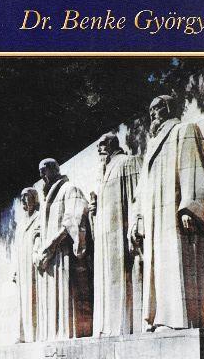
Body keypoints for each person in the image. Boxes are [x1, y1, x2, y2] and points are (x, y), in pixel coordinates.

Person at [130, 95, 204, 331]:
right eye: (151, 109)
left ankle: (178, 321)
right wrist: (138, 217)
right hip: (153, 219)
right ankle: (159, 318)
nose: (153, 113)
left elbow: (195, 166)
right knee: (158, 266)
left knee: (176, 261)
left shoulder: (184, 130)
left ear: (169, 108)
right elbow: (141, 188)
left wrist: (190, 206)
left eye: (158, 107)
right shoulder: (151, 146)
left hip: (175, 212)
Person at [91, 132, 143, 337]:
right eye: (98, 146)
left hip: (122, 235)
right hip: (105, 240)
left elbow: (137, 197)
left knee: (125, 279)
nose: (99, 149)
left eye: (103, 144)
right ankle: (108, 327)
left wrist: (136, 225)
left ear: (113, 144)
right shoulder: (102, 174)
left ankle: (127, 326)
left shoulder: (128, 162)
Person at [35, 158, 93, 340]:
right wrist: (41, 250)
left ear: (54, 169)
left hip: (65, 254)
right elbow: (39, 230)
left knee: (68, 297)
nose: (42, 176)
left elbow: (74, 220)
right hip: (51, 258)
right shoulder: (46, 200)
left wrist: (52, 244)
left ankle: (69, 333)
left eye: (44, 171)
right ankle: (54, 335)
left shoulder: (70, 189)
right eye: (40, 173)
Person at [13, 187, 40, 342]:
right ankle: (22, 334)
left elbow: (39, 237)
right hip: (22, 266)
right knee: (22, 300)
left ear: (34, 198)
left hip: (33, 264)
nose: (23, 200)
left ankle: (34, 334)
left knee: (33, 298)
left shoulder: (39, 217)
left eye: (26, 196)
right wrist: (16, 270)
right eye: (22, 197)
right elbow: (17, 247)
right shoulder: (20, 224)